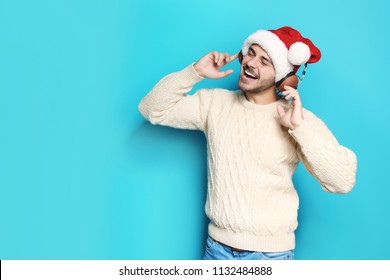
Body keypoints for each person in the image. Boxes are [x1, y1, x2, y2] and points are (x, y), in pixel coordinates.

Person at [138, 26, 357, 260]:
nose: (251, 63)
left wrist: (299, 129)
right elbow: (151, 109)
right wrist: (194, 73)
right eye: (250, 53)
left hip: (271, 256)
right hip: (217, 250)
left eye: (265, 61)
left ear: (284, 78)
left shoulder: (297, 118)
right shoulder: (215, 103)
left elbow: (342, 181)